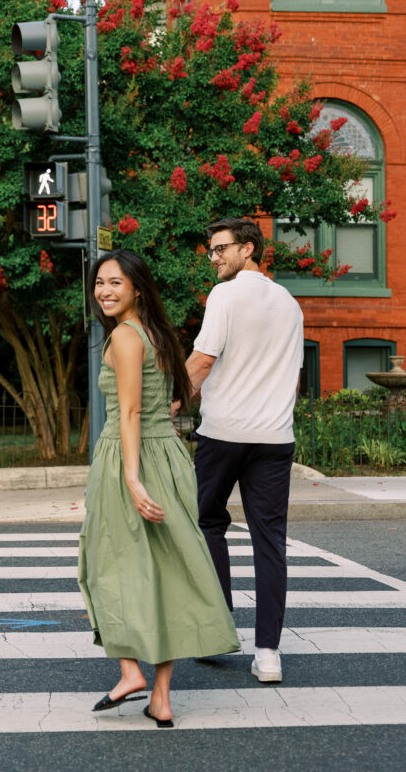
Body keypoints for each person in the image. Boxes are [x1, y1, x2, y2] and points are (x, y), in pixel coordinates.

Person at [78, 249, 240, 728]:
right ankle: (160, 699)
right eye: (99, 283)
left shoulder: (126, 339)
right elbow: (168, 400)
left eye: (115, 283)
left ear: (137, 289)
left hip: (131, 457)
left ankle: (131, 672)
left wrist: (130, 477)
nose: (104, 291)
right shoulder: (157, 335)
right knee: (165, 571)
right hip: (166, 455)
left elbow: (127, 413)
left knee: (106, 564)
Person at [181, 218, 304, 684]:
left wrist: (167, 406)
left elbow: (202, 361)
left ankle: (217, 628)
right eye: (210, 249)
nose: (213, 257)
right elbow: (293, 378)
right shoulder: (290, 303)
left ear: (247, 249)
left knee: (207, 522)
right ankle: (268, 653)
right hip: (275, 437)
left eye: (220, 249)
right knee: (269, 541)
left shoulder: (225, 296)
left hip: (224, 432)